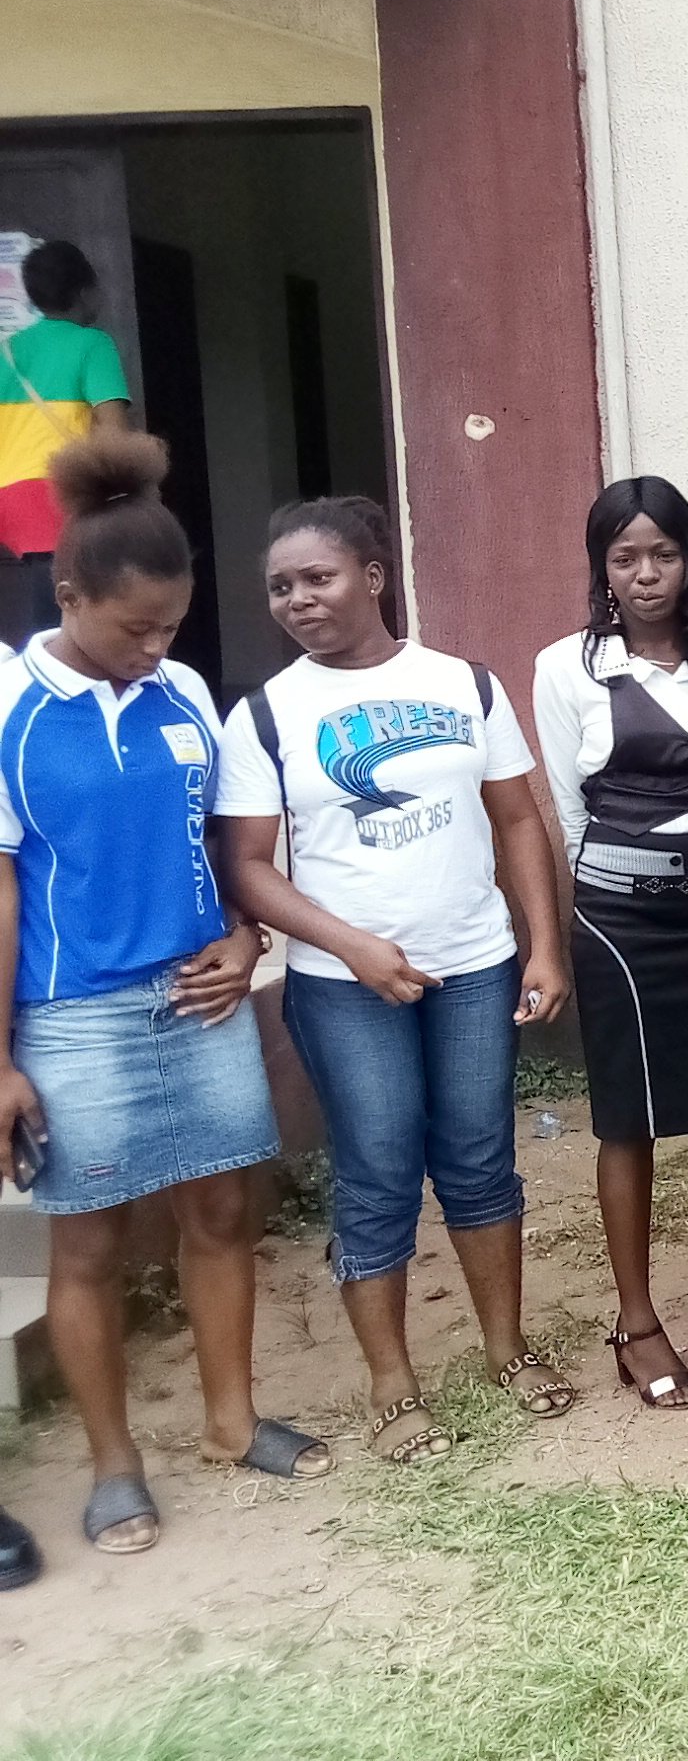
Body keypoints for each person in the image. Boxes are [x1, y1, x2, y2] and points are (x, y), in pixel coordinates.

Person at [0, 432, 329, 1558]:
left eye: (172, 627)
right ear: (68, 594)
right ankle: (114, 1467)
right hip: (73, 1016)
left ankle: (232, 1421)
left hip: (200, 997)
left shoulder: (183, 693)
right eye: (133, 627)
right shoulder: (10, 704)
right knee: (89, 1247)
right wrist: (1, 1060)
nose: (155, 649)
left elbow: (223, 849)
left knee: (223, 1214)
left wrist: (244, 938)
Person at [215, 498, 575, 1464]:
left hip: (473, 966)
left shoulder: (464, 683)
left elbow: (517, 819)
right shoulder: (264, 714)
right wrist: (352, 945)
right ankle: (392, 1384)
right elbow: (245, 866)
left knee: (479, 1158)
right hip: (344, 986)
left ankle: (506, 1349)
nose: (298, 600)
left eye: (317, 578)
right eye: (280, 587)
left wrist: (543, 946)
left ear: (372, 577)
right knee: (376, 1171)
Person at [533, 477, 688, 1411]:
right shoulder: (568, 667)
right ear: (601, 567)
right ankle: (637, 1324)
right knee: (626, 1121)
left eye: (664, 554)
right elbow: (567, 812)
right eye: (625, 557)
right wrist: (574, 929)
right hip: (622, 922)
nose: (646, 575)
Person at [1, 242, 134, 647]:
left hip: (10, 494)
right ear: (85, 292)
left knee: (48, 595)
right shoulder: (93, 344)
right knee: (69, 611)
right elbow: (114, 435)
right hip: (64, 489)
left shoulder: (6, 350)